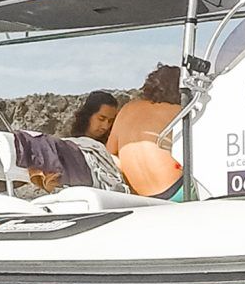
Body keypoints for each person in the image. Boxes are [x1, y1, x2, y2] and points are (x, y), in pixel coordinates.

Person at [108, 64, 186, 197]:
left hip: (144, 196)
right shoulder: (178, 111)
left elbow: (109, 154)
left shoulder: (126, 109)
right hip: (178, 189)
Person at [25, 91, 123, 192]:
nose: (105, 126)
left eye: (110, 121)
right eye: (101, 119)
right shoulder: (68, 143)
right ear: (88, 115)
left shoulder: (112, 143)